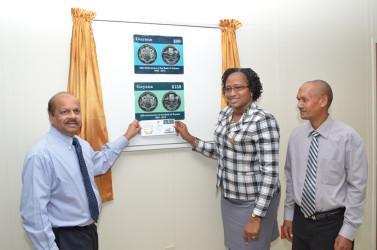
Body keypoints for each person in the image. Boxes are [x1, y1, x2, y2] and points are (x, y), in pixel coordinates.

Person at [175, 68, 280, 250]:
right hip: (230, 198)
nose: (231, 93)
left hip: (255, 201)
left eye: (238, 87)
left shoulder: (263, 120)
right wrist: (190, 138)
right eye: (227, 89)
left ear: (251, 90)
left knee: (252, 247)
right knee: (234, 246)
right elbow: (223, 151)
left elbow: (270, 174)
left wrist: (256, 216)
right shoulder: (225, 114)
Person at [20, 92, 141, 250]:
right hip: (64, 238)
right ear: (51, 117)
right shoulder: (40, 155)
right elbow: (34, 215)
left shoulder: (81, 145)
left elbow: (100, 162)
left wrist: (126, 136)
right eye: (65, 112)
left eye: (76, 111)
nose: (73, 116)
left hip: (88, 233)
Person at [282, 80, 368, 250]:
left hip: (333, 226)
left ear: (323, 101)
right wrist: (289, 215)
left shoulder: (348, 137)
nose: (299, 105)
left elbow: (357, 188)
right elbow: (291, 178)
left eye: (304, 100)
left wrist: (348, 232)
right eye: (298, 99)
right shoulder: (296, 135)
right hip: (300, 221)